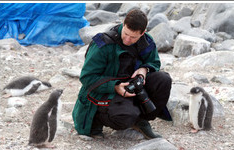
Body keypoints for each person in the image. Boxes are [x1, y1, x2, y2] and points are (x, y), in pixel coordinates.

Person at [72, 9, 172, 139]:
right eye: (126, 34)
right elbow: (87, 78)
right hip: (105, 91)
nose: (127, 39)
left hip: (130, 88)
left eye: (133, 37)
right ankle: (97, 119)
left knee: (163, 80)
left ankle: (140, 120)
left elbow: (154, 62)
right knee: (125, 116)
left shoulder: (146, 41)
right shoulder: (103, 43)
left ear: (143, 33)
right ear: (123, 24)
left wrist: (144, 70)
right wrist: (115, 86)